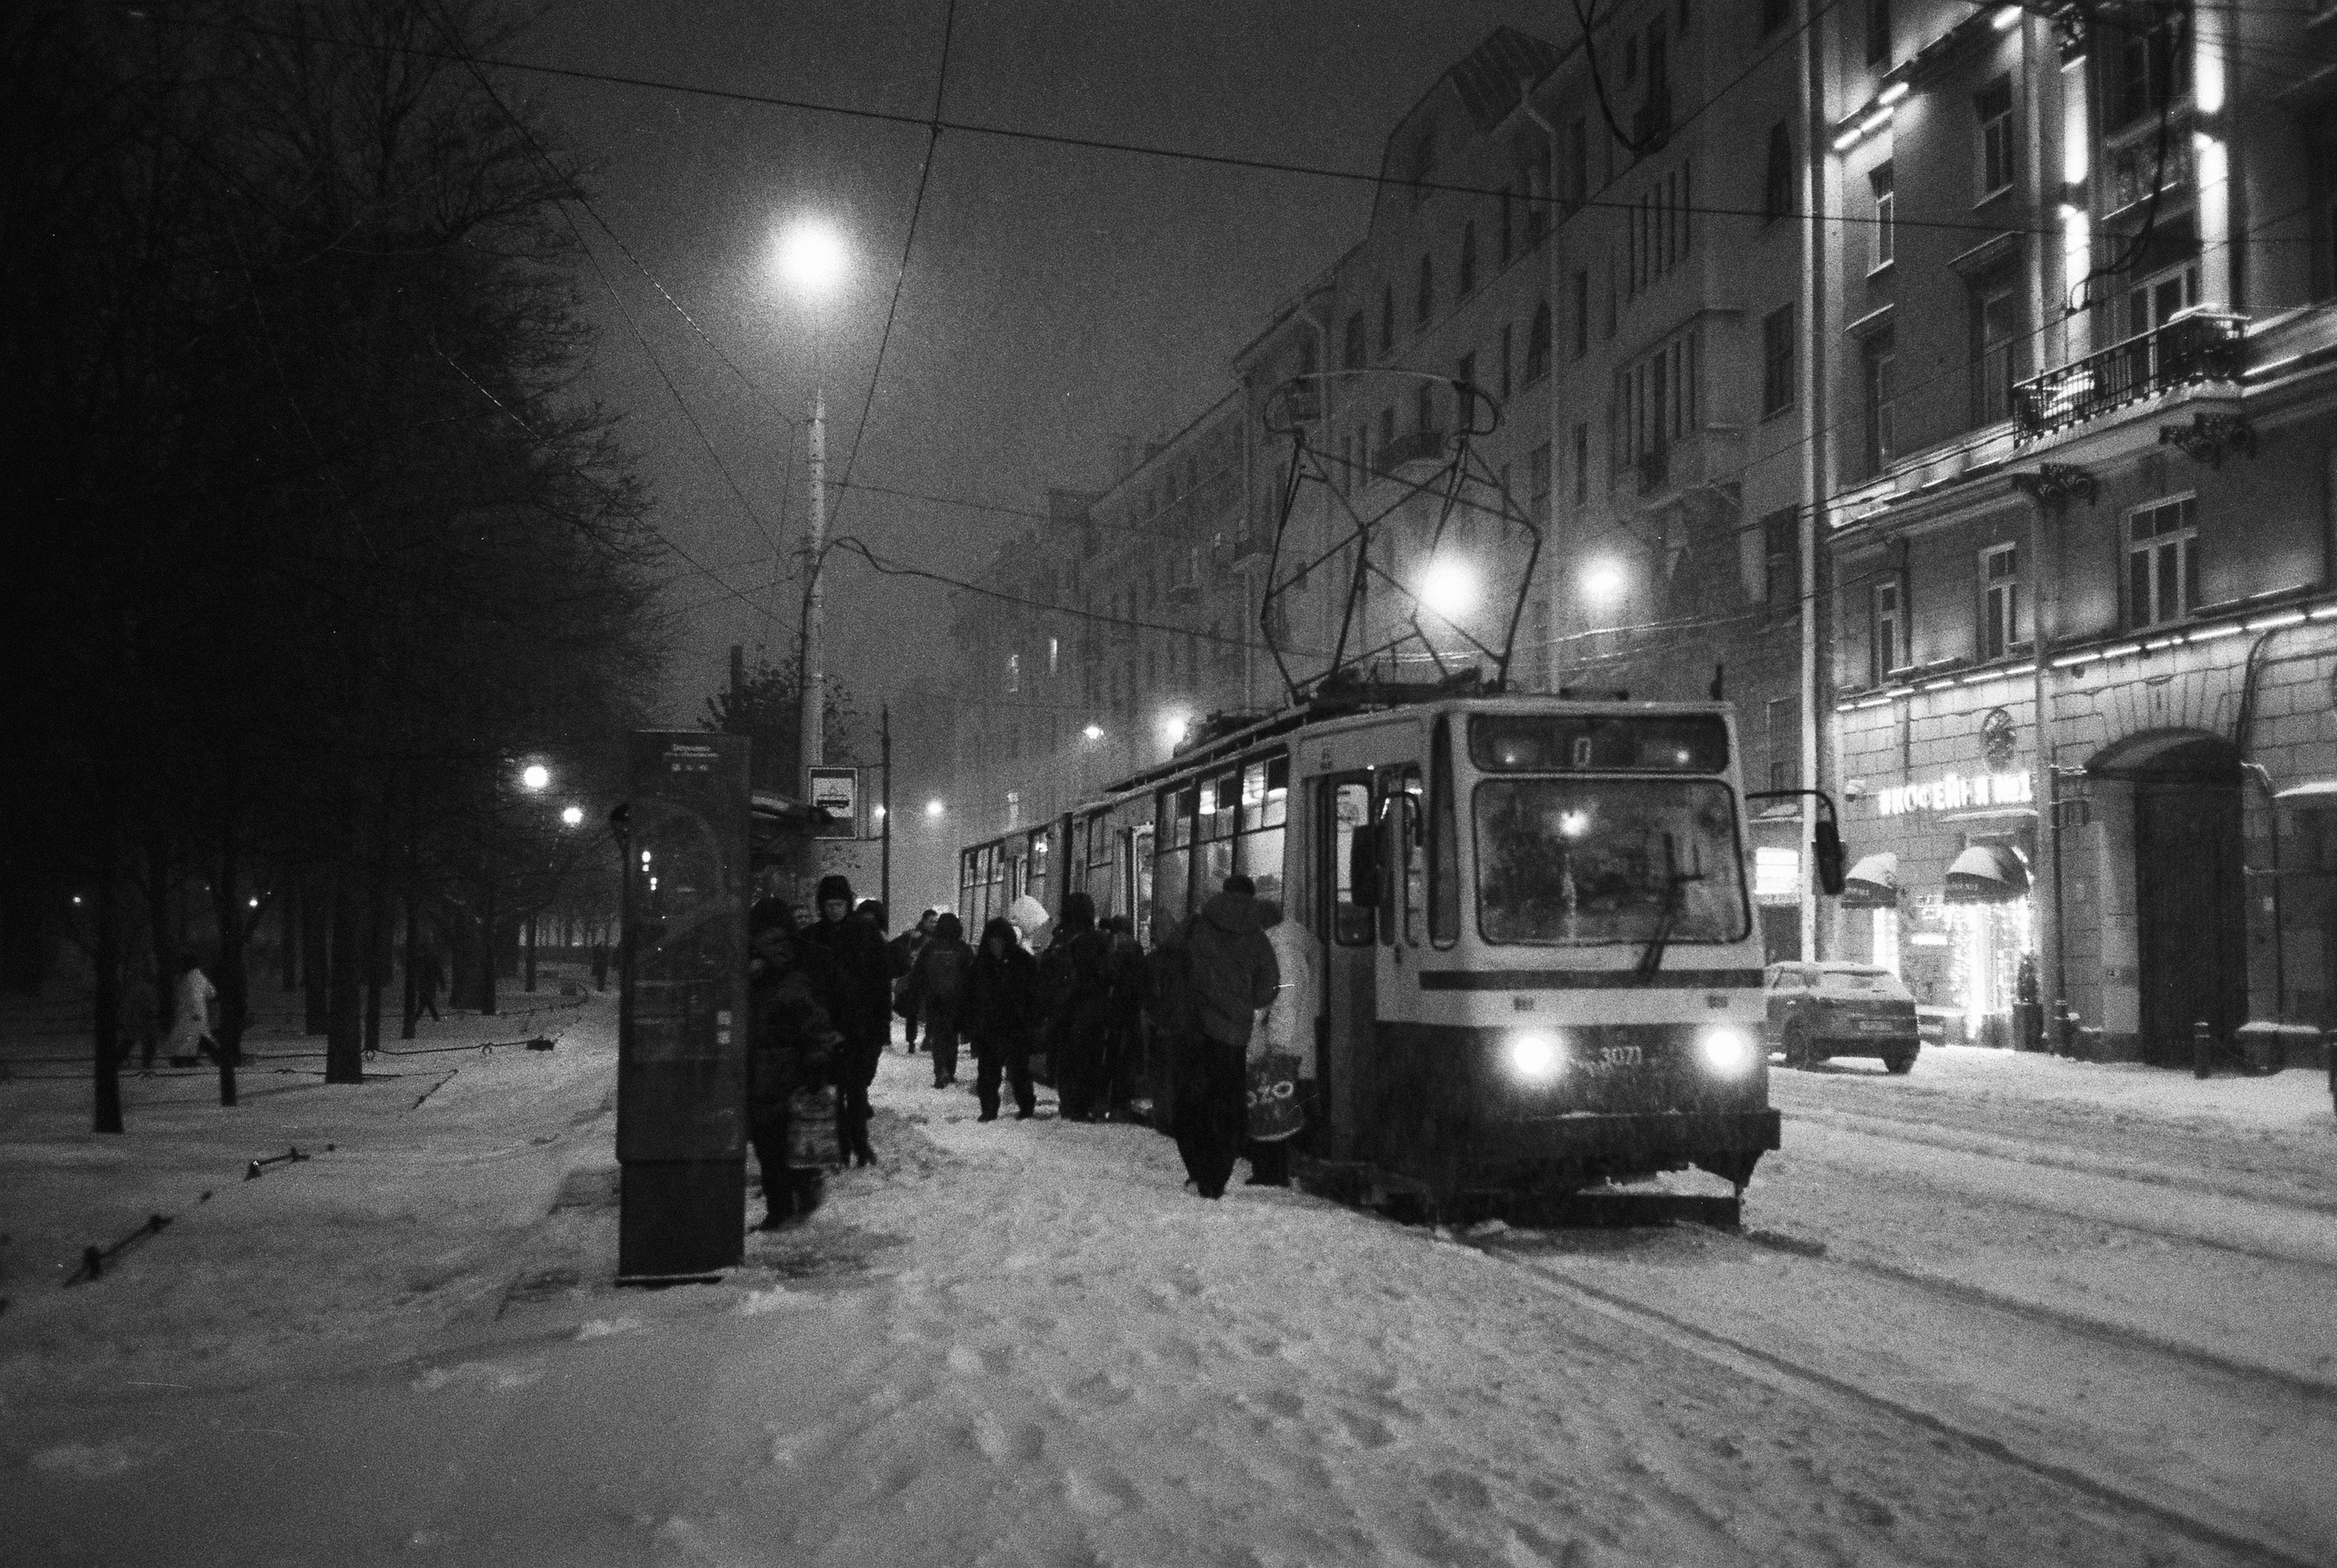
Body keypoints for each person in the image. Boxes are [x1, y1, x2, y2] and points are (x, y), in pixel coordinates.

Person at [1176, 874, 1279, 1199]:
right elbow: (1268, 988)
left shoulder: (1196, 926)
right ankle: (1216, 1176)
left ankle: (1197, 1168)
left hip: (1193, 1029)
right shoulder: (1258, 939)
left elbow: (1171, 963)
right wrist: (1243, 1002)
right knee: (1227, 1106)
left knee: (1192, 1103)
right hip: (1233, 1036)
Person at [746, 900, 838, 1228]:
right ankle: (793, 1196)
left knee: (772, 1144)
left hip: (773, 1070)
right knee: (783, 1142)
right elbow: (817, 1023)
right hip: (780, 1069)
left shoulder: (768, 976)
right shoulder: (793, 971)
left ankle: (784, 1205)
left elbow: (814, 1023)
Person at [801, 875, 890, 1166]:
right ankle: (841, 1146)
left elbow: (876, 982)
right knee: (835, 1093)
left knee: (856, 1090)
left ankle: (860, 1145)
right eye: (829, 904)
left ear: (847, 903)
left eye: (839, 904)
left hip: (858, 1027)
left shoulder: (863, 932)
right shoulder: (813, 937)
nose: (834, 910)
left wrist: (874, 1026)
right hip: (828, 1027)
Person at [1245, 899, 1315, 1187]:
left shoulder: (1281, 954)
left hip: (1280, 1047)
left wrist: (1277, 1044)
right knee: (1273, 1106)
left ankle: (1273, 1172)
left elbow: (1285, 1002)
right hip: (1280, 1044)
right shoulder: (1282, 949)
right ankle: (1272, 1170)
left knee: (1273, 1108)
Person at [1040, 891, 1115, 1121]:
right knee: (1088, 1057)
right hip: (1091, 1008)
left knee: (1067, 1057)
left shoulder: (1058, 939)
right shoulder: (1099, 940)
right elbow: (1108, 973)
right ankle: (1084, 1104)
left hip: (1064, 1009)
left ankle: (1069, 1103)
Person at [966, 915, 1040, 1121]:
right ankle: (989, 1109)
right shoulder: (983, 964)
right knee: (990, 1071)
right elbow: (970, 996)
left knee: (1017, 1070)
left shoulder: (1019, 961)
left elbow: (1032, 994)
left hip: (1013, 1024)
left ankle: (1025, 1106)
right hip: (991, 1025)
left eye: (999, 940)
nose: (995, 944)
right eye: (992, 940)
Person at [905, 912, 973, 1088]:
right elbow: (971, 975)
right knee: (952, 1036)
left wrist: (918, 993)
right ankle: (950, 1070)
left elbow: (918, 973)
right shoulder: (963, 948)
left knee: (938, 1035)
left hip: (934, 999)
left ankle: (940, 1070)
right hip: (956, 1000)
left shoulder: (930, 948)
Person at [1100, 915, 1148, 1122]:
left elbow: (1108, 974)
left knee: (1109, 1058)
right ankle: (1121, 1105)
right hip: (1131, 1011)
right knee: (1126, 1060)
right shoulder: (1136, 947)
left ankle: (1103, 1102)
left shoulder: (1112, 945)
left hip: (1113, 1009)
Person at [890, 908, 936, 1051]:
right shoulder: (914, 936)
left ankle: (926, 1038)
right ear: (924, 921)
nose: (934, 924)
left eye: (935, 921)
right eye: (931, 921)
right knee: (914, 1009)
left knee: (926, 1008)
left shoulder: (936, 938)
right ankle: (911, 1040)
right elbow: (898, 947)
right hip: (914, 976)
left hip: (928, 977)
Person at [164, 956, 220, 1068]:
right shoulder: (199, 978)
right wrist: (197, 1010)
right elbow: (211, 993)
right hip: (196, 1013)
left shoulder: (185, 978)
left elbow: (181, 995)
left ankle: (182, 1058)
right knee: (197, 1036)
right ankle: (188, 1058)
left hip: (187, 1011)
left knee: (187, 1035)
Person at [121, 965, 160, 1071]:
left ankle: (118, 1060)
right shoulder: (147, 988)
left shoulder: (136, 987)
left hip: (136, 1017)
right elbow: (150, 1004)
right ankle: (146, 1062)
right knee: (150, 1041)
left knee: (130, 1040)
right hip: (144, 1018)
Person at [413, 941, 444, 1022]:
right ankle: (435, 1017)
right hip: (426, 984)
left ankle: (417, 1018)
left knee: (425, 1001)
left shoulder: (427, 960)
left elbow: (438, 972)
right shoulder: (422, 960)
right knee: (426, 1001)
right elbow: (439, 972)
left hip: (428, 984)